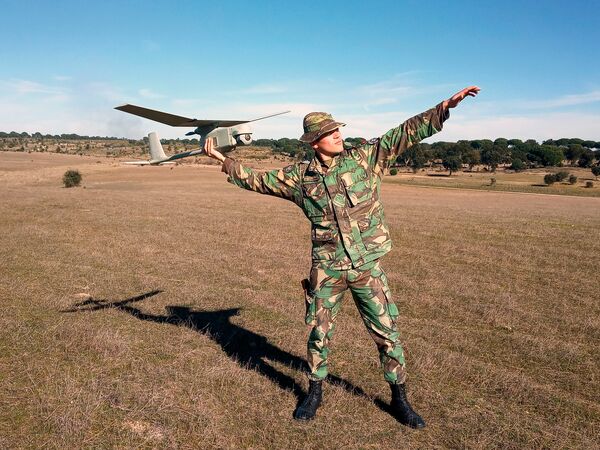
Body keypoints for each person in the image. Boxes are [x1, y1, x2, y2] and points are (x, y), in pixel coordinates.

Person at [203, 86, 480, 428]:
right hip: (327, 271)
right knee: (319, 335)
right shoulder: (298, 178)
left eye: (337, 130)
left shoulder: (365, 159)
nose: (337, 136)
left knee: (387, 333)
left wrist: (443, 107)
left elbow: (404, 133)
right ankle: (314, 392)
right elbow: (258, 180)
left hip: (366, 268)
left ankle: (400, 400)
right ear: (314, 142)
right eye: (329, 133)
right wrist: (223, 160)